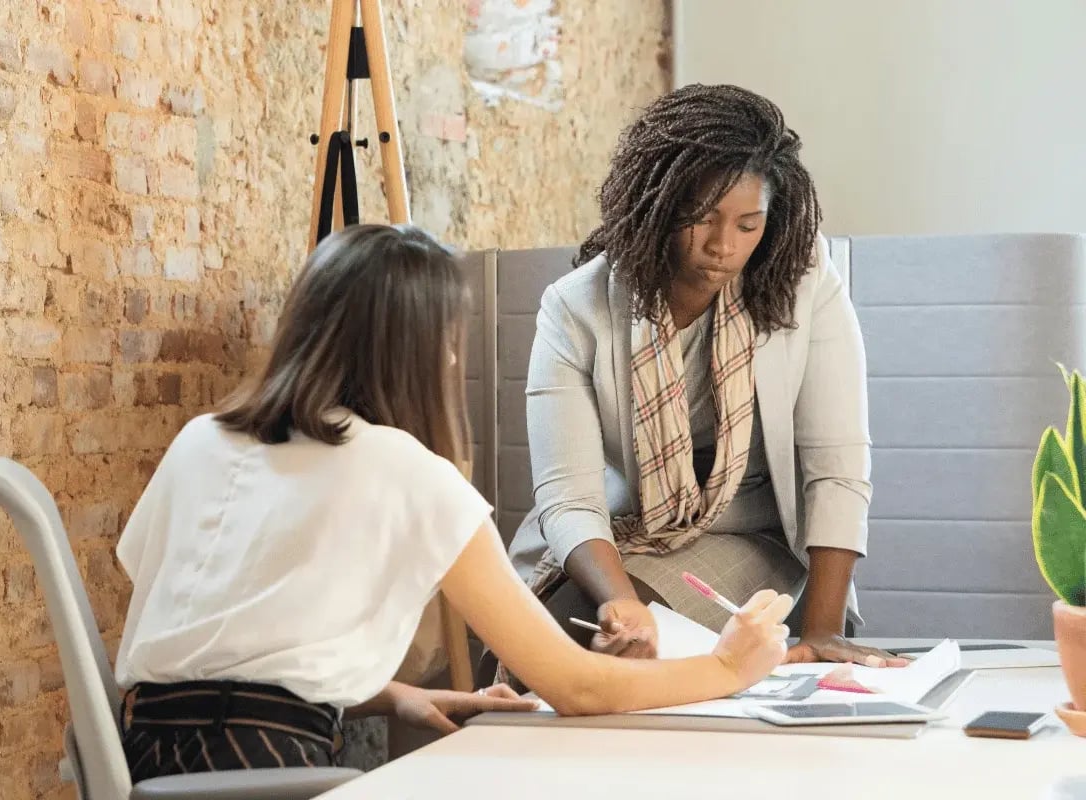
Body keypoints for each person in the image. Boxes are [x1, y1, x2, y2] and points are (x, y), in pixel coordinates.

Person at [114, 224, 794, 780]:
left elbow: (209, 652)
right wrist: (728, 666)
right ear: (413, 348)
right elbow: (576, 688)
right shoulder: (409, 472)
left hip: (143, 753)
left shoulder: (201, 439)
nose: (448, 361)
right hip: (268, 764)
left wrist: (399, 696)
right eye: (446, 340)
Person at [503, 84, 907, 682]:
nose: (724, 247)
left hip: (752, 534)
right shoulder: (576, 308)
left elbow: (836, 466)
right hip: (619, 531)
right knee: (531, 660)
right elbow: (569, 497)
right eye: (703, 220)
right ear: (659, 205)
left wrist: (822, 630)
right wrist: (620, 604)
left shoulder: (801, 280)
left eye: (749, 225)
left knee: (596, 666)